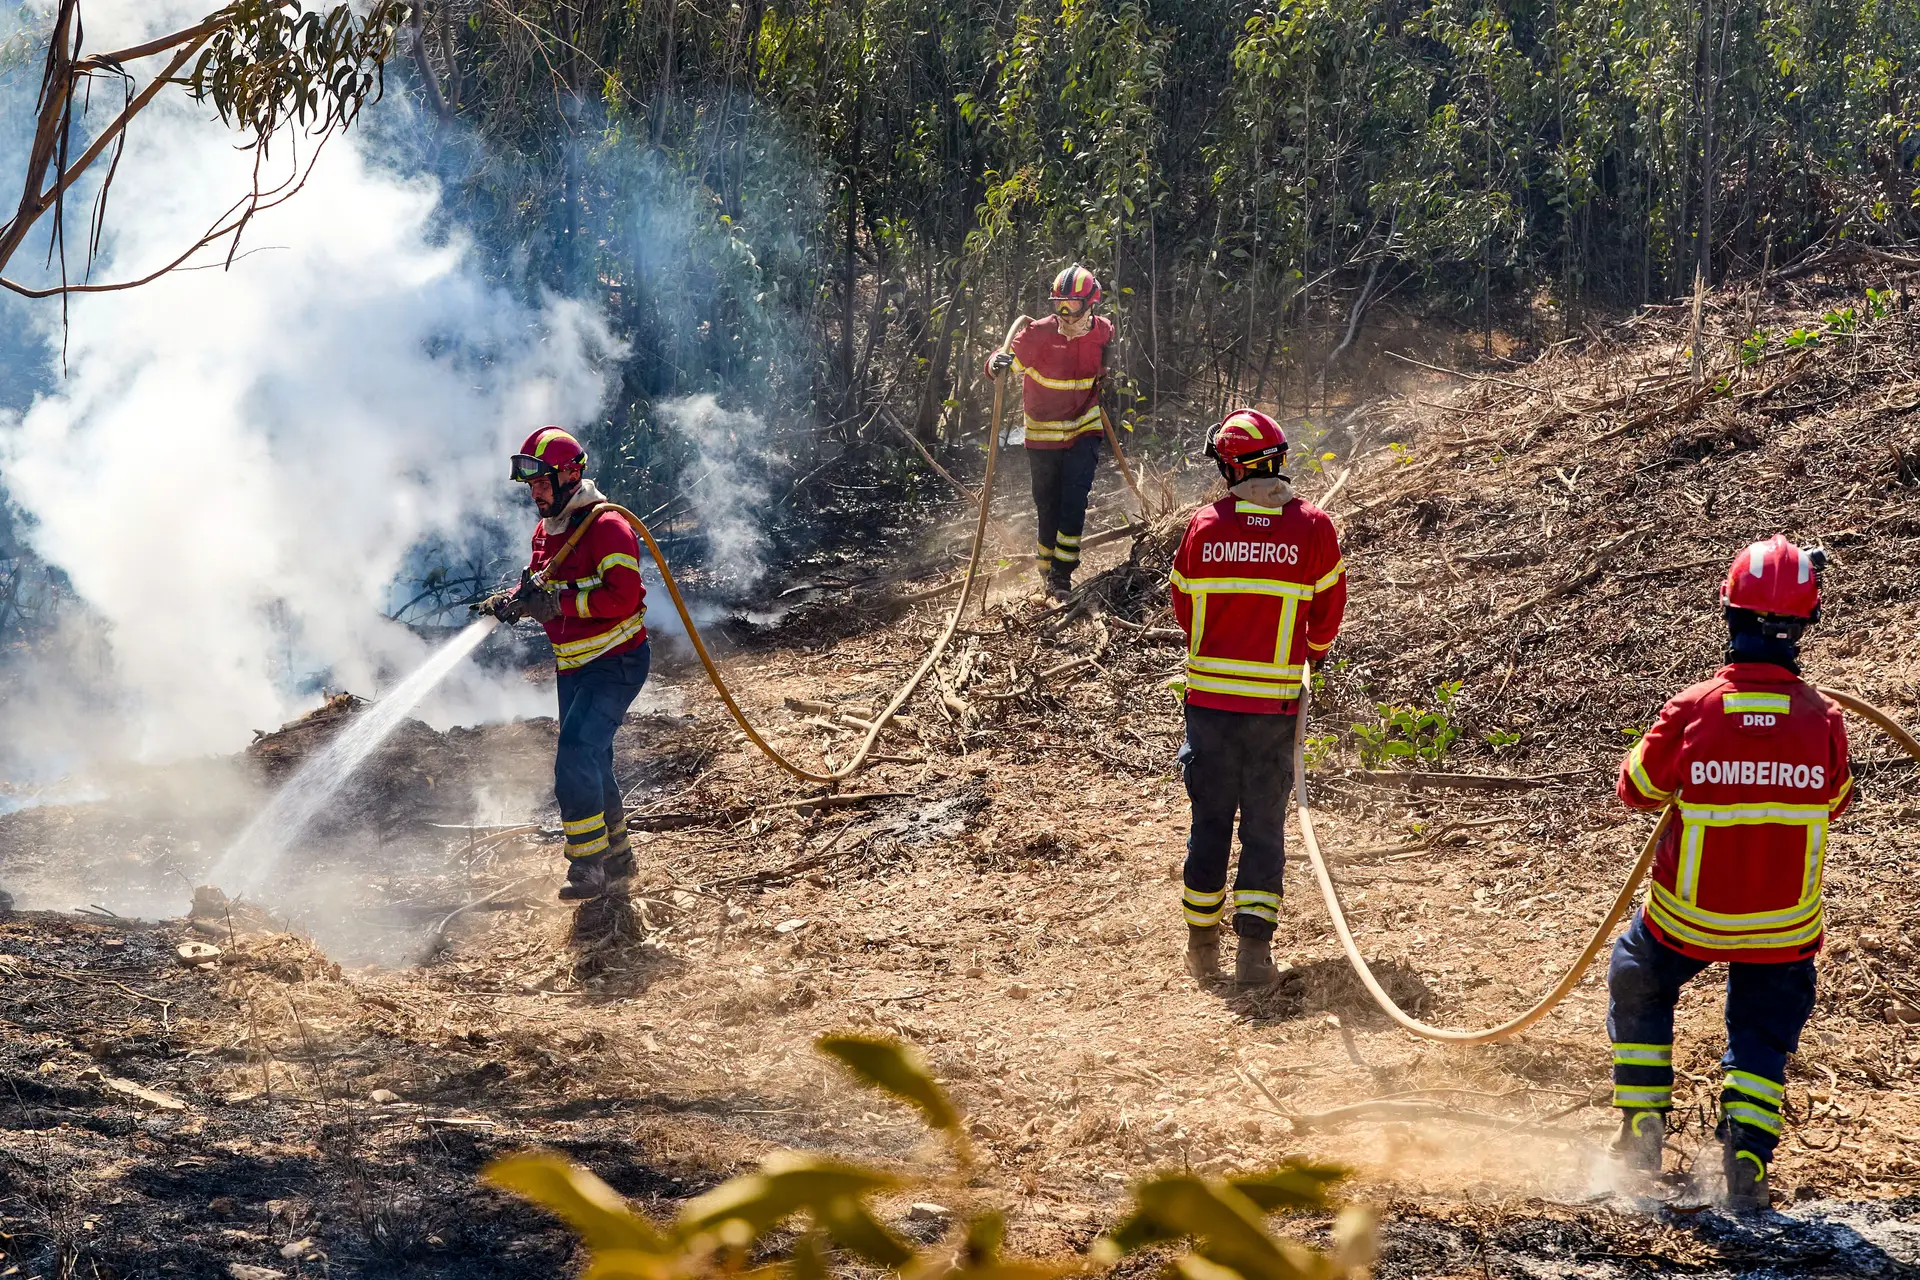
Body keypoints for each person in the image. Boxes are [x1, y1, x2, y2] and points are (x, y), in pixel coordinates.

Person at [1608, 535, 1852, 1210]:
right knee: (1763, 1030)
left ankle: (1642, 1127)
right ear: (1808, 622)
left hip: (1688, 919)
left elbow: (1636, 790)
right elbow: (1836, 797)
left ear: (1728, 613)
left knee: (1637, 977)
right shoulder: (1824, 720)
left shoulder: (1692, 709)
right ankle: (1747, 1147)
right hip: (1782, 928)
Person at [1168, 409, 1346, 986]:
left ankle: (1201, 950)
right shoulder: (1315, 528)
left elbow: (1183, 606)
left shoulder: (1203, 527)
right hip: (1275, 710)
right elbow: (1326, 619)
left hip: (1210, 709)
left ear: (1229, 468)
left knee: (1210, 821)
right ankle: (1253, 958)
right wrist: (1306, 659)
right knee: (1265, 827)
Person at [480, 427, 650, 902]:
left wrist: (559, 606)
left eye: (542, 483)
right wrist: (515, 600)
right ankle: (618, 859)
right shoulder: (547, 528)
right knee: (594, 758)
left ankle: (587, 868)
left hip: (616, 663)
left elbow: (623, 596)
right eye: (530, 486)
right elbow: (546, 584)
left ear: (572, 475)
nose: (535, 494)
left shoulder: (607, 527)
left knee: (575, 756)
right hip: (573, 665)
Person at [987, 263, 1113, 598]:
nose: (1066, 319)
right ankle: (1046, 567)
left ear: (1091, 305)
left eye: (1073, 310)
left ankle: (1061, 575)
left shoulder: (1103, 333)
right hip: (1042, 436)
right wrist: (994, 364)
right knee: (1048, 504)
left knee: (1074, 501)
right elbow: (1003, 362)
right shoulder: (1039, 333)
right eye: (1060, 309)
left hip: (1084, 429)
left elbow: (1106, 361)